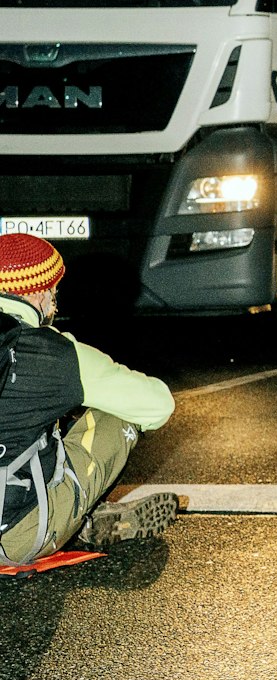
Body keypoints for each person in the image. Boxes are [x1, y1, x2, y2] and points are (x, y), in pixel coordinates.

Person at [2, 234, 178, 566]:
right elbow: (158, 405)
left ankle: (77, 519)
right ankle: (76, 519)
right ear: (38, 292)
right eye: (54, 291)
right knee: (120, 413)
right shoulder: (54, 353)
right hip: (15, 541)